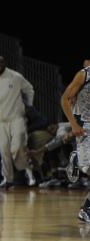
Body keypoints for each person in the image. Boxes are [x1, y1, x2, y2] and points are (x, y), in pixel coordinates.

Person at [0, 56, 36, 190]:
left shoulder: (16, 76)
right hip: (1, 121)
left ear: (5, 63)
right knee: (4, 151)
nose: (0, 63)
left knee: (17, 147)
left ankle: (27, 171)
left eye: (2, 61)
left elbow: (29, 89)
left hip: (16, 118)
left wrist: (29, 106)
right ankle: (8, 180)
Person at [60, 59, 90, 222]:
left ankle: (87, 209)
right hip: (85, 125)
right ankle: (77, 159)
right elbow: (64, 99)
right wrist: (73, 124)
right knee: (88, 167)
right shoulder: (84, 75)